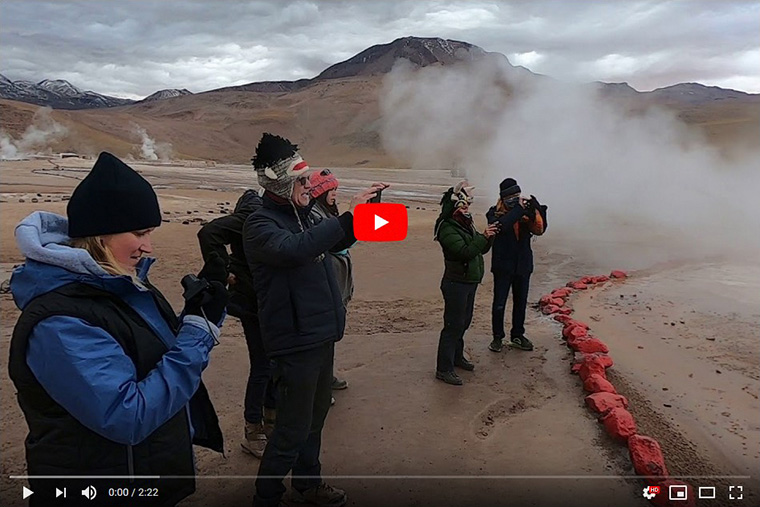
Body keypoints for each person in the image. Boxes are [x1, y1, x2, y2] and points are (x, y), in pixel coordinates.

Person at [8, 152, 228, 507]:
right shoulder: (61, 321)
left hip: (141, 478)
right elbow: (127, 415)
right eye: (139, 232)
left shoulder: (123, 283)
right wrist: (197, 333)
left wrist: (196, 313)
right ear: (99, 234)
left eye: (151, 232)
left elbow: (150, 354)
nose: (149, 246)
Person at [243, 133, 383, 507]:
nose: (311, 186)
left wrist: (365, 212)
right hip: (294, 339)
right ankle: (266, 495)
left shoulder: (303, 216)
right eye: (303, 180)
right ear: (284, 184)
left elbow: (335, 243)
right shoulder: (260, 224)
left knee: (316, 416)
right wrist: (347, 218)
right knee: (291, 427)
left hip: (319, 334)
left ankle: (308, 483)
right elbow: (295, 250)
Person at [197, 189, 277, 458]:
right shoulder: (252, 214)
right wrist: (223, 272)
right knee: (262, 365)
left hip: (265, 302)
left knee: (272, 363)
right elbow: (208, 233)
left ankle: (270, 420)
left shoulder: (271, 214)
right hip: (252, 305)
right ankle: (253, 430)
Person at [433, 181, 498, 386]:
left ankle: (457, 357)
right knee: (452, 325)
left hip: (468, 281)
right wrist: (483, 238)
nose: (466, 208)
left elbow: (478, 249)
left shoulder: (465, 223)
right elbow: (464, 252)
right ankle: (443, 368)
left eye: (467, 205)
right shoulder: (447, 228)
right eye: (462, 206)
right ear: (453, 208)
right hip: (456, 283)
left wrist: (488, 239)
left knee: (464, 322)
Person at [486, 177, 548, 353]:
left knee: (520, 303)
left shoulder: (524, 213)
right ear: (503, 198)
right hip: (502, 266)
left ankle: (518, 335)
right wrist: (519, 210)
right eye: (512, 196)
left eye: (517, 195)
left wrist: (538, 209)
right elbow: (501, 226)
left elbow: (540, 229)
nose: (515, 199)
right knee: (499, 303)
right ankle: (497, 337)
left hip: (523, 266)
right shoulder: (493, 213)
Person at [309, 168, 353, 392]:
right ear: (319, 192)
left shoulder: (327, 212)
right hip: (327, 284)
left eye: (336, 189)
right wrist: (352, 217)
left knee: (330, 338)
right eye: (331, 189)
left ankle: (327, 377)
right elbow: (335, 243)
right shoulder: (315, 215)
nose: (335, 193)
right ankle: (321, 385)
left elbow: (344, 241)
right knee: (323, 339)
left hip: (337, 281)